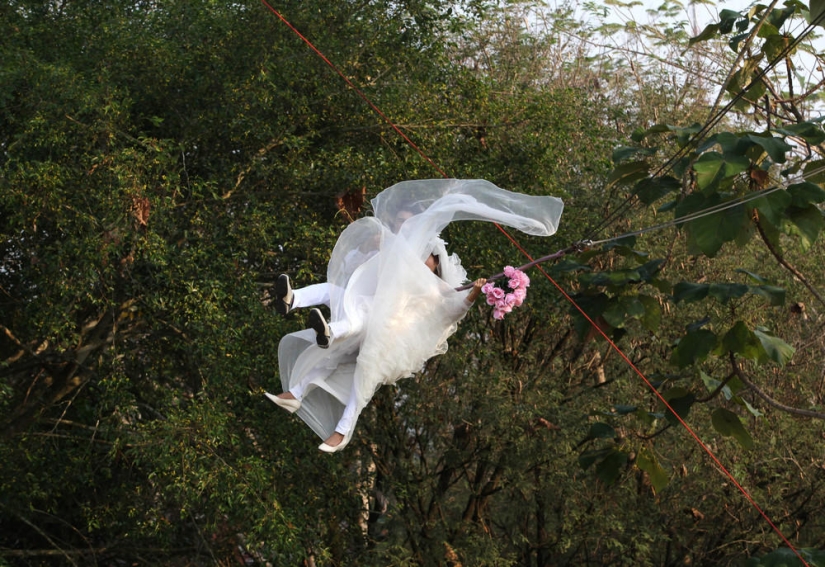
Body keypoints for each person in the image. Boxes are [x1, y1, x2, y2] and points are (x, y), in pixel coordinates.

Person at [267, 179, 564, 452]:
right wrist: (369, 246)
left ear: (434, 260)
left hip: (391, 339)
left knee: (362, 372)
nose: (405, 237)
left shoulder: (436, 290)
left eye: (423, 251)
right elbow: (352, 268)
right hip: (364, 318)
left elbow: (452, 312)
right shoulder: (389, 261)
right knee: (337, 320)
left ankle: (342, 428)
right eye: (400, 226)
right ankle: (295, 320)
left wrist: (473, 293)